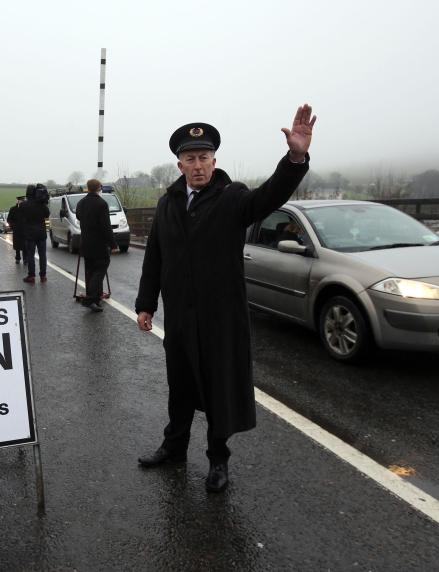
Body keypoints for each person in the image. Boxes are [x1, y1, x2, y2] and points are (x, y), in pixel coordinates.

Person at [135, 105, 316, 493]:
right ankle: (174, 447)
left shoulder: (233, 198)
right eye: (190, 158)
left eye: (203, 157)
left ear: (214, 161)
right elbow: (155, 256)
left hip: (221, 319)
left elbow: (270, 196)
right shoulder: (168, 204)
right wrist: (146, 303)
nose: (197, 165)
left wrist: (295, 157)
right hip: (181, 317)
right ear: (179, 164)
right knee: (180, 387)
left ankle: (218, 461)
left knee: (219, 390)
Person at [76, 179, 118, 312]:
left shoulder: (81, 203)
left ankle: (96, 298)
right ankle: (90, 299)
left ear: (88, 188)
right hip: (99, 244)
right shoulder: (101, 203)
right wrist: (113, 244)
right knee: (100, 270)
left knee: (90, 271)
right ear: (99, 188)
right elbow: (106, 227)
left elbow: (78, 217)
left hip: (86, 243)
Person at [21, 184, 50, 284]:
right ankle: (43, 276)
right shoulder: (42, 204)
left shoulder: (24, 204)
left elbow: (22, 216)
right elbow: (47, 214)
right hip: (41, 233)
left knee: (30, 255)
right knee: (43, 255)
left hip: (29, 234)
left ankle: (31, 276)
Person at [7, 195, 26, 263]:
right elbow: (9, 219)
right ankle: (18, 257)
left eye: (23, 201)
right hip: (16, 230)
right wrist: (13, 226)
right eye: (21, 200)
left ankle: (25, 258)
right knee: (17, 245)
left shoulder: (26, 209)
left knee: (25, 245)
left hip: (25, 230)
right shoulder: (13, 209)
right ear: (17, 201)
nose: (22, 202)